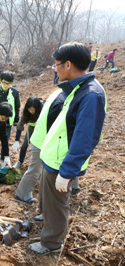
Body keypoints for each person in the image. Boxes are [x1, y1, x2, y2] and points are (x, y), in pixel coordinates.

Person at [28, 42, 106, 255]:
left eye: (57, 65)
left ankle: (51, 244)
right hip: (53, 157)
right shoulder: (77, 88)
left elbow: (85, 138)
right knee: (50, 202)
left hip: (62, 162)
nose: (55, 69)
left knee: (58, 204)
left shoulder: (90, 95)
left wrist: (68, 172)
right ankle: (47, 222)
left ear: (68, 64)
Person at [12, 96, 44, 169]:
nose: (31, 112)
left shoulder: (43, 109)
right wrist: (16, 141)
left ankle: (42, 164)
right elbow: (20, 125)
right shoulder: (26, 113)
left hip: (42, 129)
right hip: (32, 128)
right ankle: (20, 161)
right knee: (24, 145)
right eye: (29, 109)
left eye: (33, 110)